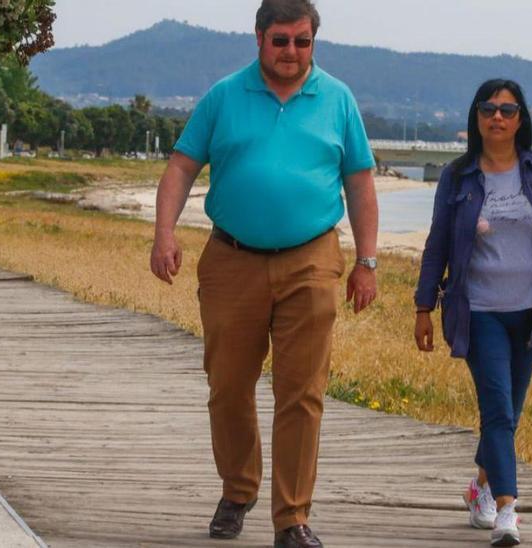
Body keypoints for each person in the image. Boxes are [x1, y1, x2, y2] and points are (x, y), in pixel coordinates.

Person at [148, 1, 379, 546]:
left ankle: (292, 518)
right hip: (232, 258)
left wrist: (367, 262)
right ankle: (238, 487)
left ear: (314, 42)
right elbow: (181, 166)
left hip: (312, 259)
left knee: (302, 391)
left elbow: (361, 184)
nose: (291, 52)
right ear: (258, 39)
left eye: (302, 41)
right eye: (281, 41)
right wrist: (164, 233)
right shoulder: (224, 95)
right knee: (228, 386)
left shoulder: (338, 99)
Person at [413, 79, 532, 547]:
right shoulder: (458, 176)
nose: (497, 117)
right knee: (496, 407)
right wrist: (423, 306)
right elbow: (437, 245)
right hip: (479, 311)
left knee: (508, 411)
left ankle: (481, 486)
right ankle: (507, 511)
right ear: (476, 117)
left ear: (520, 119)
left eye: (507, 110)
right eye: (488, 108)